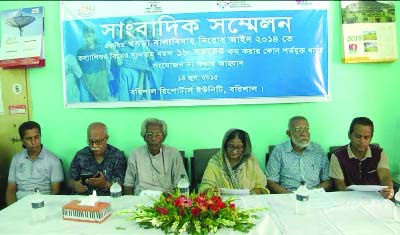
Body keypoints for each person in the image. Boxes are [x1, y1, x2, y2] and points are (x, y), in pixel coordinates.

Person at [329, 117, 394, 199]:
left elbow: (385, 177)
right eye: (358, 136)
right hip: (349, 199)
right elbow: (339, 184)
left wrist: (388, 190)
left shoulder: (379, 153)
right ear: (349, 135)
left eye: (366, 137)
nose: (362, 141)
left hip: (375, 199)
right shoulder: (337, 156)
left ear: (371, 138)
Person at [266, 116, 331, 193]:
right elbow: (270, 181)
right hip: (288, 195)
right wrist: (290, 195)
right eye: (298, 129)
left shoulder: (318, 150)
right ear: (289, 133)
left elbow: (328, 180)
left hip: (314, 195)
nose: (304, 134)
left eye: (307, 129)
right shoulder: (279, 150)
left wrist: (313, 192)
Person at [124, 118, 187, 195]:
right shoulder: (135, 154)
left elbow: (181, 182)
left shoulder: (173, 153)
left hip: (166, 198)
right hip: (141, 198)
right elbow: (128, 184)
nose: (153, 139)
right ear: (144, 137)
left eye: (158, 134)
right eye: (149, 135)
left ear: (164, 137)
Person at [6, 121, 64, 205]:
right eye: (29, 139)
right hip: (20, 203)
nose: (33, 142)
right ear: (22, 141)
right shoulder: (16, 159)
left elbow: (55, 191)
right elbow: (11, 189)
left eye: (36, 137)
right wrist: (11, 209)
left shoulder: (53, 160)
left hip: (43, 203)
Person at [199, 129, 269, 194]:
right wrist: (212, 191)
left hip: (248, 203)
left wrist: (254, 193)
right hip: (224, 204)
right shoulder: (215, 162)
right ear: (225, 145)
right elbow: (204, 188)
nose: (234, 151)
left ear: (244, 147)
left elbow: (261, 186)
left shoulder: (250, 160)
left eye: (239, 147)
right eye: (231, 146)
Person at [69, 122, 126, 196]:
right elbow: (70, 181)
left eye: (98, 142)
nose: (94, 145)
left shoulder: (117, 156)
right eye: (91, 141)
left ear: (106, 138)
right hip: (84, 199)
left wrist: (105, 184)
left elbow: (123, 185)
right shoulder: (81, 155)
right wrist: (75, 185)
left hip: (109, 199)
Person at [77, 23, 112, 102]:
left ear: (94, 36)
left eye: (89, 36)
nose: (87, 39)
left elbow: (105, 69)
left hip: (100, 84)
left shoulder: (101, 50)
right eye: (85, 37)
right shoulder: (80, 52)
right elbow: (79, 70)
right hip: (85, 84)